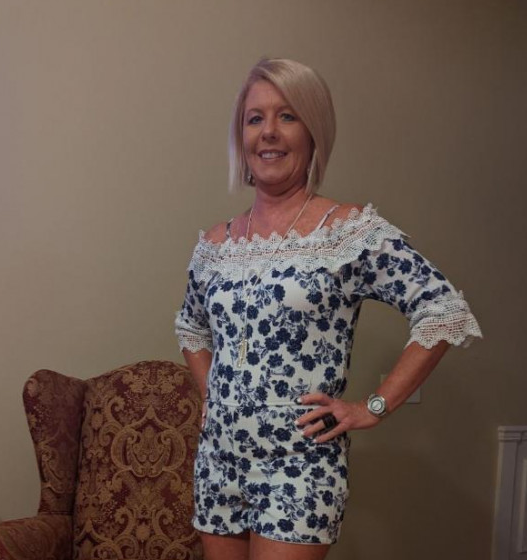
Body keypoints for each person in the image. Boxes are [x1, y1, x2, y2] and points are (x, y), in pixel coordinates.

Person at [175, 57, 482, 560]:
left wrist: (373, 407)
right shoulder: (215, 244)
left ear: (314, 130)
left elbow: (442, 309)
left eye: (287, 116)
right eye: (255, 119)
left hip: (299, 465)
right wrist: (214, 394)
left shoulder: (346, 233)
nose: (268, 132)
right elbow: (191, 327)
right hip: (219, 460)